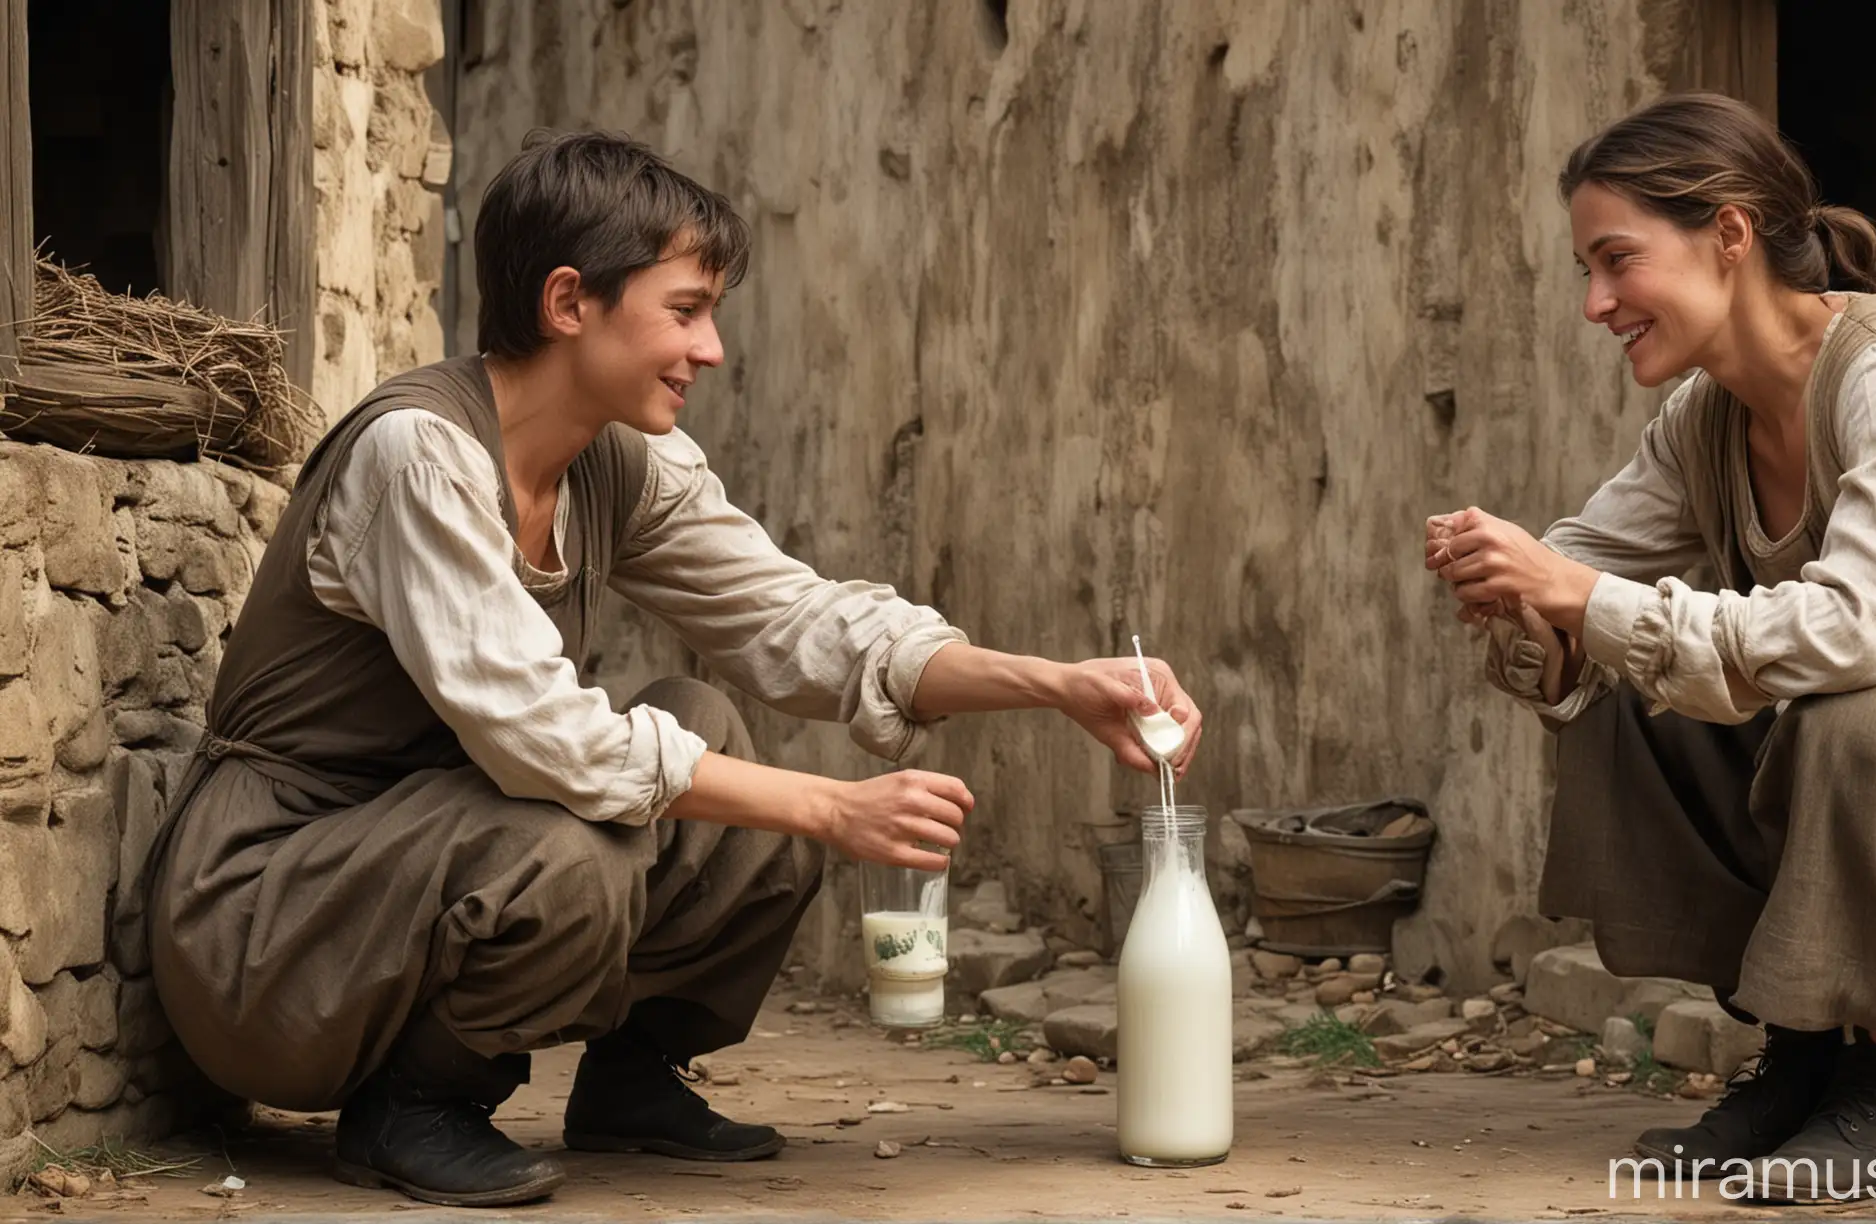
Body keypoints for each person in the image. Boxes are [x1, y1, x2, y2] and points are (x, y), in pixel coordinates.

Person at [142, 130, 1205, 1209]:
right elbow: (545, 740)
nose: (713, 349)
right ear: (570, 303)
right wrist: (833, 807)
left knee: (712, 727)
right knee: (574, 837)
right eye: (687, 309)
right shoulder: (418, 457)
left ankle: (635, 1080)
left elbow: (799, 622)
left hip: (420, 853)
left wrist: (1061, 683)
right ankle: (416, 1106)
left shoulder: (615, 463)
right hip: (266, 927)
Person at [1424, 93, 1876, 1197]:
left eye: (1617, 261)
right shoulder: (1703, 417)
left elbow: (1861, 633)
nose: (1596, 302)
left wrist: (1578, 591)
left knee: (1854, 717)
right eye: (1588, 268)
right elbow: (1583, 560)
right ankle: (1801, 1052)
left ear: (1729, 235)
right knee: (1640, 689)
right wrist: (1520, 592)